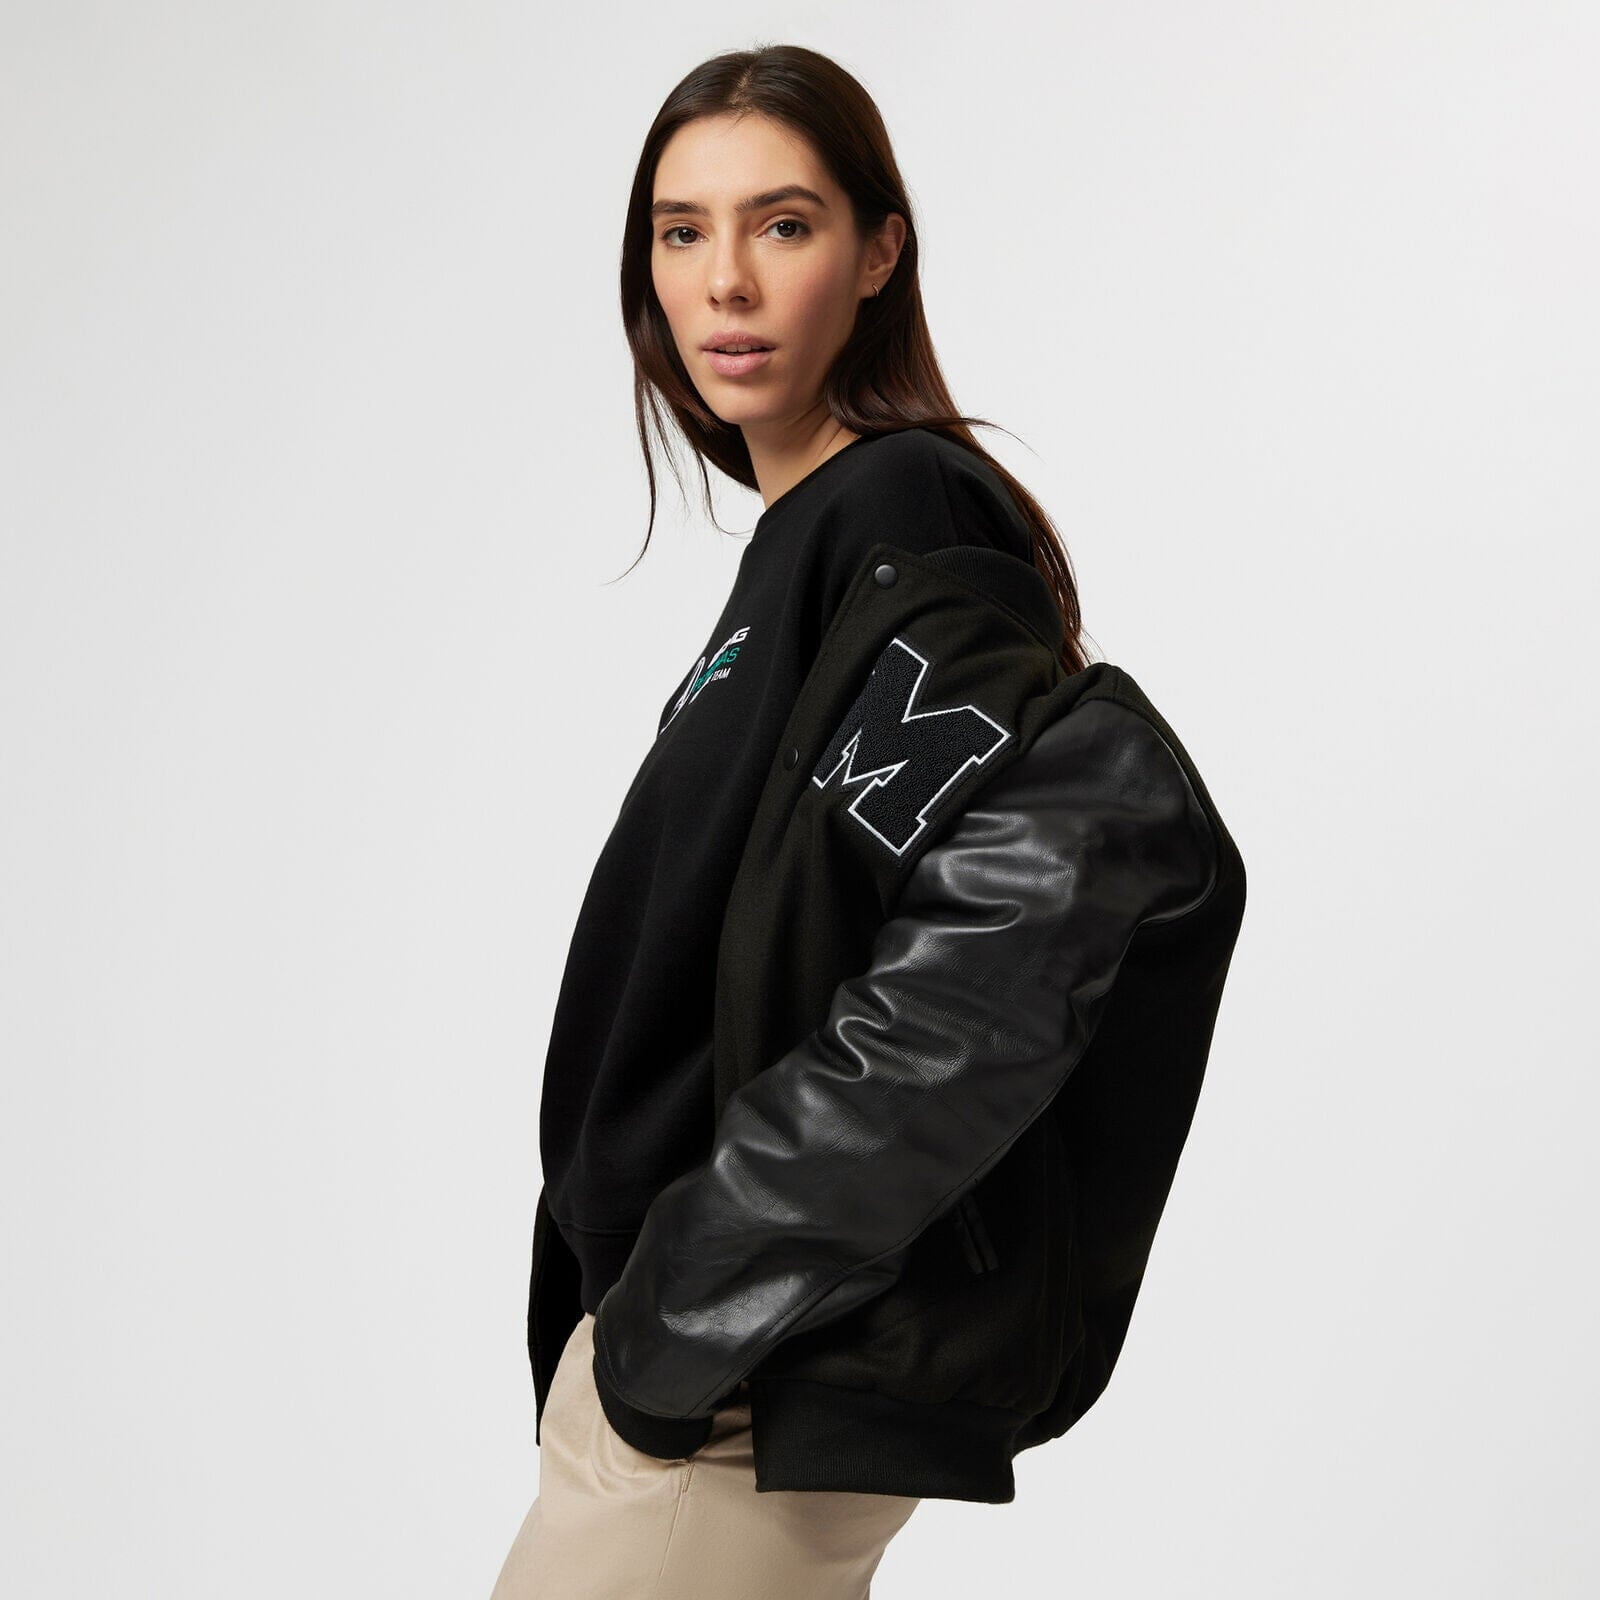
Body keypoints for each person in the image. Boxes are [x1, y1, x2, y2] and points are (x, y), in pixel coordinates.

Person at [490, 43, 1247, 1600]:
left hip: (725, 1409)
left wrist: (686, 1316)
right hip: (692, 1388)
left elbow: (1008, 940)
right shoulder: (803, 550)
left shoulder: (899, 517)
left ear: (879, 250)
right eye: (682, 232)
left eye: (784, 224)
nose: (726, 282)